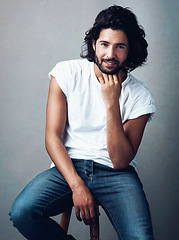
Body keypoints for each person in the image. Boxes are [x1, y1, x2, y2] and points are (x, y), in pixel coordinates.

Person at [10, 5, 156, 240]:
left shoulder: (141, 96)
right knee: (22, 212)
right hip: (68, 167)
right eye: (105, 44)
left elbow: (119, 161)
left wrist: (111, 103)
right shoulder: (65, 73)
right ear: (93, 44)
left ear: (130, 51)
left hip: (116, 175)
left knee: (141, 238)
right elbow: (52, 137)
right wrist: (77, 186)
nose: (110, 54)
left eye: (120, 46)